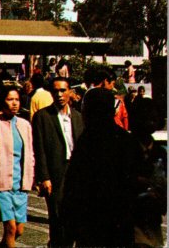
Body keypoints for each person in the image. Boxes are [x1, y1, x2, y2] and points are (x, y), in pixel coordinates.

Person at [61, 87, 143, 247]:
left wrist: (68, 230)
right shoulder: (127, 140)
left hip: (92, 224)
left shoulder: (87, 142)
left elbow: (74, 188)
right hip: (121, 224)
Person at [0, 85, 35, 248]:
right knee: (10, 228)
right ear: (3, 102)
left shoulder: (25, 125)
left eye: (17, 99)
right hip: (2, 185)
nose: (14, 103)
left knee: (19, 230)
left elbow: (30, 154)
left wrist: (35, 177)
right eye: (10, 99)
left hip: (21, 184)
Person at [31, 77, 84, 247]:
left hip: (75, 171)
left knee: (75, 215)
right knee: (56, 215)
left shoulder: (78, 117)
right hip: (55, 172)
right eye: (56, 91)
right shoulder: (43, 116)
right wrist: (44, 176)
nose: (60, 95)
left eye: (63, 90)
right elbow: (39, 149)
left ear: (70, 92)